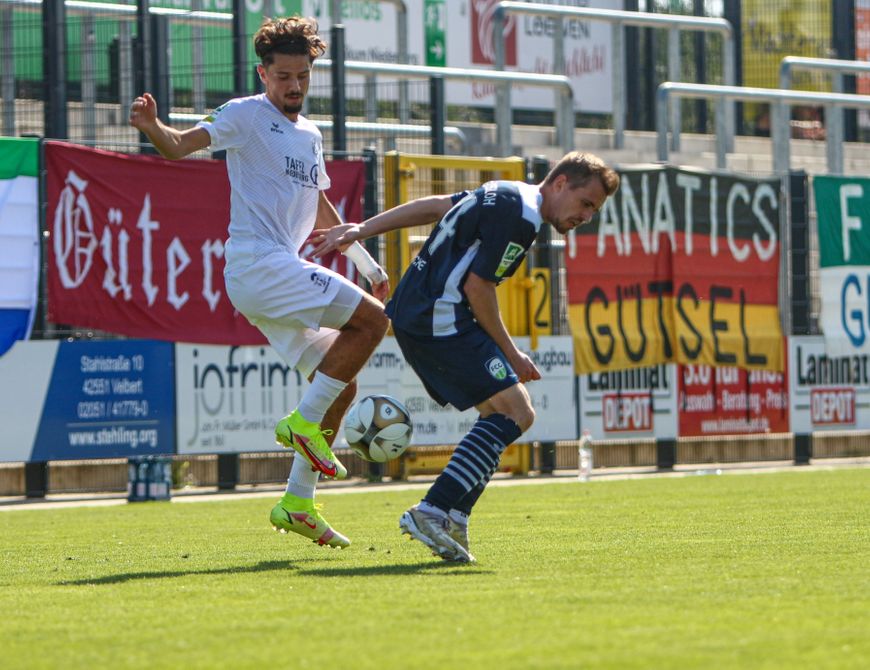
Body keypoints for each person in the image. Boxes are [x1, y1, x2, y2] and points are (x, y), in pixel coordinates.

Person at [129, 16, 390, 550]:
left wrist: (363, 261)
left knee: (342, 380)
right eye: (284, 76)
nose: (294, 86)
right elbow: (179, 146)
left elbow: (319, 206)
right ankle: (302, 424)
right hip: (258, 264)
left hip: (271, 274)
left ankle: (297, 501)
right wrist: (153, 127)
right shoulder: (246, 115)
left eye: (303, 76)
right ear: (262, 73)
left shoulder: (311, 134)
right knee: (373, 322)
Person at [312, 151, 620, 562]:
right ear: (561, 183)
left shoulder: (505, 192)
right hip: (439, 317)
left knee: (504, 412)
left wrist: (363, 228)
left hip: (421, 312)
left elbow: (437, 206)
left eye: (594, 210)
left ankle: (454, 515)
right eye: (586, 203)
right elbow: (479, 288)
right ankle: (434, 510)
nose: (586, 216)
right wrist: (512, 353)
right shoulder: (523, 218)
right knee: (516, 412)